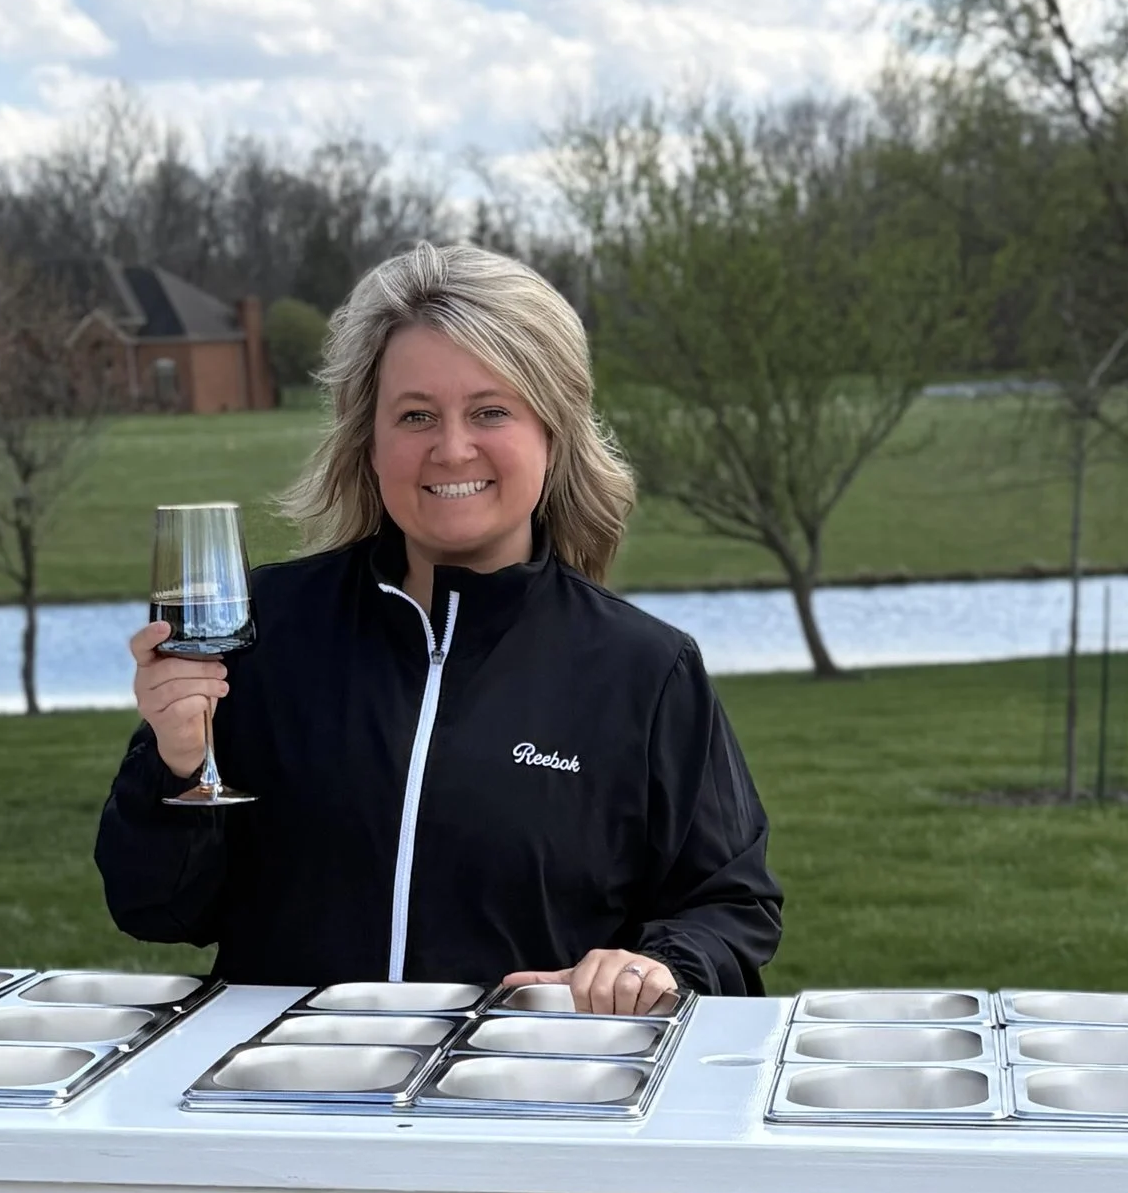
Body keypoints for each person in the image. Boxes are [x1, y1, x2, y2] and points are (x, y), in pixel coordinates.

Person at [95, 241, 780, 1007]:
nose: (451, 448)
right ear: (371, 440)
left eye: (491, 411)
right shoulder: (264, 632)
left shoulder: (645, 670)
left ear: (552, 433)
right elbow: (152, 907)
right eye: (415, 414)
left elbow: (731, 906)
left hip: (530, 1098)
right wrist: (178, 763)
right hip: (287, 1103)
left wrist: (659, 967)